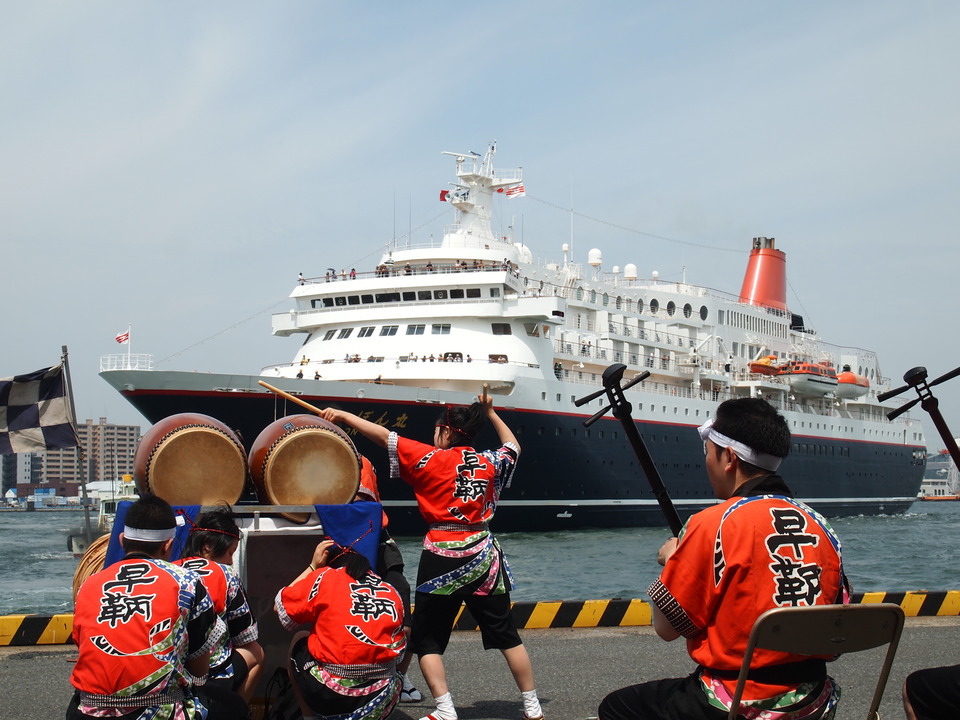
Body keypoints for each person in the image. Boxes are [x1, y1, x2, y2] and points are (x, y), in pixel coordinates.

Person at [598, 398, 848, 720]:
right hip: (812, 701)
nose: (706, 461)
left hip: (736, 702)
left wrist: (674, 558)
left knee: (617, 708)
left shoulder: (712, 523)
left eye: (708, 451)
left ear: (728, 458)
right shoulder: (820, 525)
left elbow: (666, 628)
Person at [320, 394, 545, 720]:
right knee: (507, 635)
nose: (433, 434)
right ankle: (532, 706)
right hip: (484, 554)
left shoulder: (429, 459)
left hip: (442, 555)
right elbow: (514, 446)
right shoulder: (489, 462)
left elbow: (385, 437)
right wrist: (492, 413)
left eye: (437, 428)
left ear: (447, 431)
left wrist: (344, 416)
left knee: (427, 640)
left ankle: (444, 709)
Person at [68, 495, 246, 720]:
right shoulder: (188, 583)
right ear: (168, 545)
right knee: (235, 708)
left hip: (88, 712)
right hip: (159, 712)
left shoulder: (89, 586)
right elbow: (199, 669)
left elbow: (85, 646)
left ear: (122, 541)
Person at [275, 538, 406, 720]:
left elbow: (280, 606)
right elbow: (399, 653)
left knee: (300, 637)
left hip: (332, 695)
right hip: (384, 696)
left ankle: (309, 717)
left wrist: (313, 566)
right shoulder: (390, 590)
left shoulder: (325, 576)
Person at [175, 506, 265, 705]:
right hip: (211, 676)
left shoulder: (170, 570)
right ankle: (236, 710)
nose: (231, 561)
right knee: (256, 651)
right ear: (208, 546)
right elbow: (245, 635)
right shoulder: (225, 574)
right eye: (230, 552)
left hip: (172, 674)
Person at [354, 456, 423, 703]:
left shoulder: (361, 460)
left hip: (377, 539)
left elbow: (363, 500)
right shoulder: (322, 457)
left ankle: (399, 678)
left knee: (405, 616)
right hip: (341, 540)